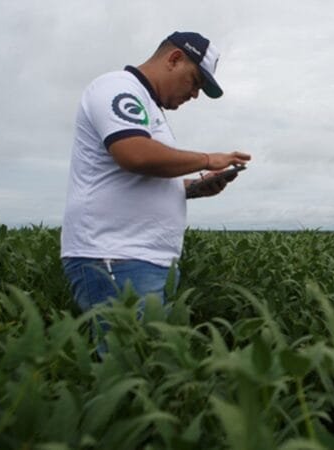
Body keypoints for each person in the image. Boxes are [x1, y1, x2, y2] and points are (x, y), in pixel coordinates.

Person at [60, 31, 251, 329]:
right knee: (128, 364)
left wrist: (195, 187)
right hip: (115, 256)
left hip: (142, 260)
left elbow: (142, 177)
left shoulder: (149, 108)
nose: (194, 95)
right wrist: (207, 159)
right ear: (174, 59)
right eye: (195, 82)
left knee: (145, 361)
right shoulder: (117, 88)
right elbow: (135, 155)